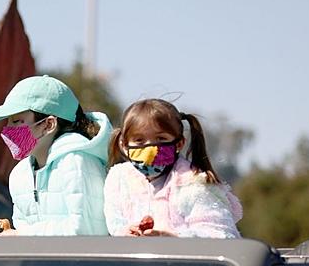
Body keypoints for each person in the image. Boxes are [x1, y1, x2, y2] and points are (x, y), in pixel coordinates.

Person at [0, 75, 112, 235]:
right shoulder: (19, 174)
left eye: (16, 121)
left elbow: (85, 229)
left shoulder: (76, 161)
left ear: (49, 125)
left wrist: (23, 236)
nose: (8, 129)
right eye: (8, 121)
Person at [102, 98, 243, 238]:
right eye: (139, 140)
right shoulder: (119, 179)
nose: (150, 149)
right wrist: (124, 232)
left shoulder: (194, 183)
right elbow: (114, 220)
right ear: (124, 145)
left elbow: (222, 234)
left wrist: (175, 239)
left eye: (161, 138)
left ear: (179, 143)